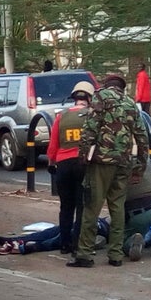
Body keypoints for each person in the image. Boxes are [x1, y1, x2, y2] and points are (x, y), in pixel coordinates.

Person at [67, 74, 148, 268]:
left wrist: (82, 158)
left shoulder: (100, 97)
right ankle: (116, 255)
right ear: (122, 87)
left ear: (107, 85)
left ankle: (85, 254)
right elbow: (142, 136)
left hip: (102, 162)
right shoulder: (130, 103)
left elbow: (90, 129)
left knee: (92, 207)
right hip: (124, 162)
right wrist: (140, 167)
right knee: (117, 207)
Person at [47, 81, 93, 254]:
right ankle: (77, 245)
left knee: (66, 207)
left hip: (63, 165)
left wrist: (52, 162)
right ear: (89, 98)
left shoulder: (62, 116)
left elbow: (53, 145)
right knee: (82, 207)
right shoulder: (92, 116)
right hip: (83, 165)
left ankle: (64, 244)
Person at [0, 218, 110, 255]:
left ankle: (32, 247)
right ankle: (14, 240)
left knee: (63, 237)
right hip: (97, 221)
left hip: (101, 229)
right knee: (56, 231)